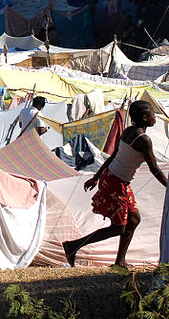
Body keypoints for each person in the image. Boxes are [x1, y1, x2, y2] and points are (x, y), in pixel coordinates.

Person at [63, 101, 168, 267]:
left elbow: (114, 157)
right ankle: (73, 246)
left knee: (133, 220)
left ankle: (120, 261)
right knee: (119, 227)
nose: (155, 117)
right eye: (153, 115)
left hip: (114, 179)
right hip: (115, 183)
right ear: (144, 118)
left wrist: (97, 176)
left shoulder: (128, 132)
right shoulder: (144, 140)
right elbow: (154, 168)